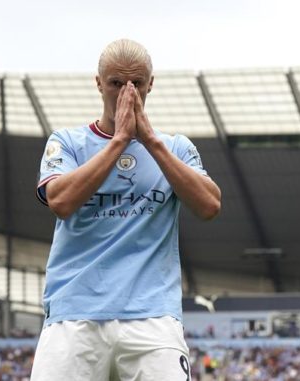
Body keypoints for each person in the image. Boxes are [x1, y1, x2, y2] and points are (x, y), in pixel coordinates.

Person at [32, 39, 221, 380]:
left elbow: (209, 205)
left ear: (151, 84)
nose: (126, 92)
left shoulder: (176, 147)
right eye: (116, 83)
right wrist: (119, 141)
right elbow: (60, 201)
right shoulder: (67, 142)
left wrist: (150, 141)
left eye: (136, 83)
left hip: (153, 317)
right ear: (99, 83)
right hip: (75, 313)